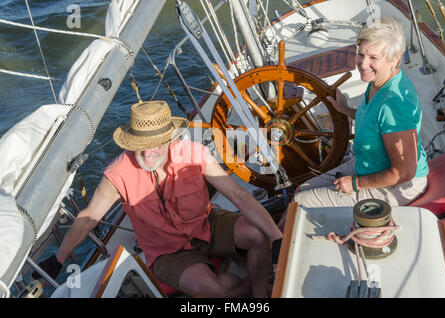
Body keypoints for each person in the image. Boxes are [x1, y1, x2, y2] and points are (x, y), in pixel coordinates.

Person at [33, 100, 282, 298]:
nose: (149, 151)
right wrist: (58, 259)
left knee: (258, 235)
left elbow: (238, 195)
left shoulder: (195, 153)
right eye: (141, 144)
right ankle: (248, 285)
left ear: (169, 138)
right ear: (131, 141)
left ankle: (261, 297)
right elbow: (88, 218)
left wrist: (277, 239)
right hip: (166, 252)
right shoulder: (117, 174)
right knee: (214, 291)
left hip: (207, 224)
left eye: (156, 144)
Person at [292, 17, 429, 208]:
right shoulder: (377, 82)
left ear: (394, 59)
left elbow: (403, 172)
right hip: (369, 164)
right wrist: (345, 109)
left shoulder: (395, 104)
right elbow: (374, 120)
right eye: (361, 54)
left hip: (398, 186)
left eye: (374, 58)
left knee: (299, 203)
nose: (363, 64)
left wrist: (356, 184)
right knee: (300, 190)